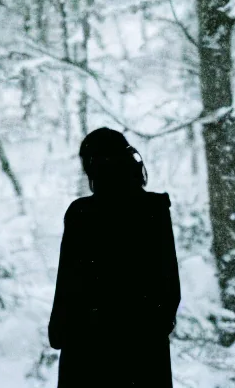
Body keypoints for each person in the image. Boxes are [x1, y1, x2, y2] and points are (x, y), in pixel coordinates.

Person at [48, 127, 181, 388]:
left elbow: (69, 288)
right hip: (144, 356)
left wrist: (63, 332)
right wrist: (147, 331)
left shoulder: (82, 215)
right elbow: (169, 290)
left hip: (88, 354)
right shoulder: (154, 211)